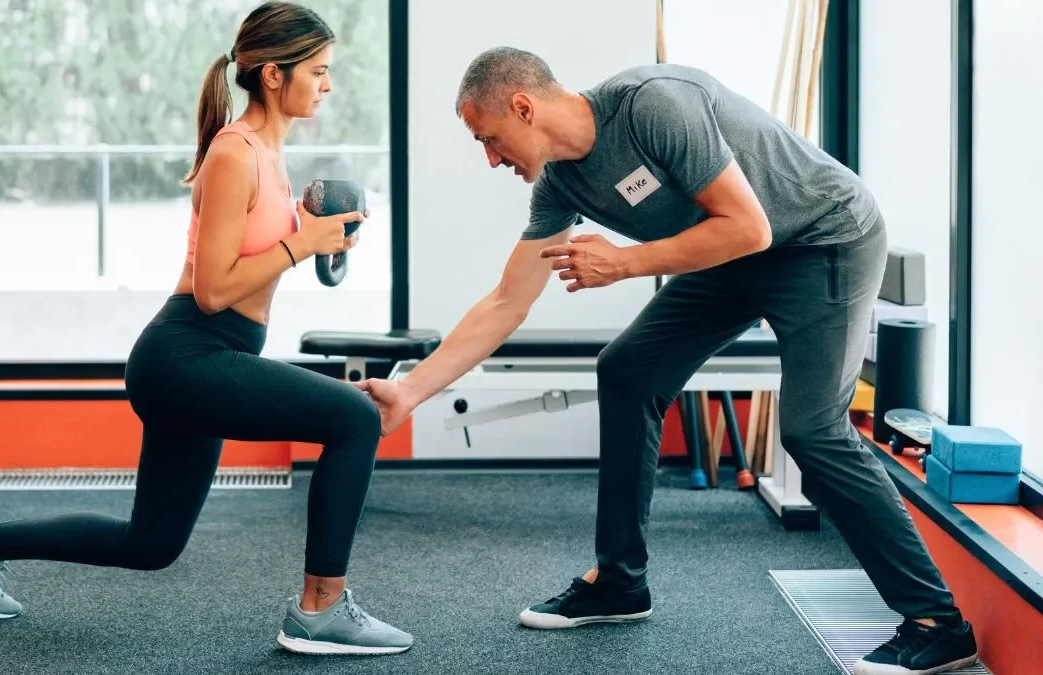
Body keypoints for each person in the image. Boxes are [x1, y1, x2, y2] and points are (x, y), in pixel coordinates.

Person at [359, 47, 978, 675]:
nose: (490, 158)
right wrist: (409, 392)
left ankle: (937, 622)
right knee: (627, 371)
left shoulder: (654, 105)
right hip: (735, 253)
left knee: (811, 429)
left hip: (823, 239)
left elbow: (749, 227)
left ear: (523, 107)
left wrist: (625, 262)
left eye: (489, 139)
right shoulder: (560, 183)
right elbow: (505, 301)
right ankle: (621, 583)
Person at [0, 1, 413, 657]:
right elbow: (212, 290)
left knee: (150, 544)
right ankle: (320, 609)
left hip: (213, 356)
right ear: (273, 74)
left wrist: (310, 229)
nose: (327, 84)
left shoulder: (269, 152)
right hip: (186, 352)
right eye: (318, 71)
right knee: (353, 418)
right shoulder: (234, 152)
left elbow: (250, 261)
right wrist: (303, 244)